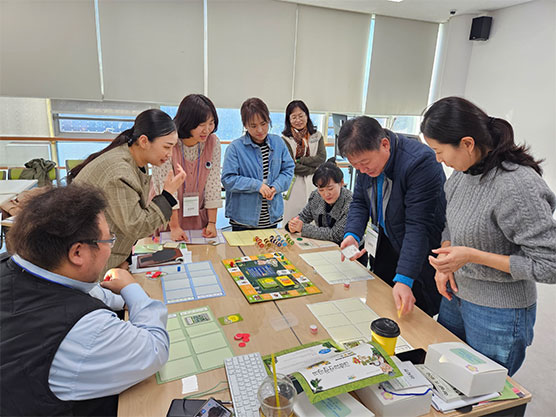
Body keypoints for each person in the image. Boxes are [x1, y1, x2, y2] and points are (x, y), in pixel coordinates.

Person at [0, 185, 169, 416]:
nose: (110, 248)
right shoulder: (85, 330)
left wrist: (122, 297)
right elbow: (154, 349)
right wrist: (133, 289)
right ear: (77, 253)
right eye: (108, 239)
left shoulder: (17, 264)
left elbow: (82, 293)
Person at [421, 96, 556, 375]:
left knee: (487, 395)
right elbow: (452, 224)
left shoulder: (517, 185)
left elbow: (550, 265)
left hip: (498, 311)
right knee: (445, 378)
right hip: (455, 296)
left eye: (439, 150)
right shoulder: (461, 174)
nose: (438, 159)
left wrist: (470, 256)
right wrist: (447, 261)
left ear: (467, 144)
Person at [338, 116, 446, 317]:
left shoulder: (419, 162)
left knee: (412, 317)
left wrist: (405, 278)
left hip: (418, 253)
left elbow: (418, 225)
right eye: (356, 166)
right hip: (386, 243)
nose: (362, 170)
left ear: (384, 144)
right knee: (380, 307)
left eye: (365, 163)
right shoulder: (365, 164)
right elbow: (360, 202)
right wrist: (352, 234)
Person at [70, 109, 186, 273]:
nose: (170, 154)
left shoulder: (135, 159)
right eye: (167, 147)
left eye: (173, 147)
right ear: (144, 141)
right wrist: (167, 195)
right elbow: (136, 226)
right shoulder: (120, 173)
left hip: (102, 253)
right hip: (87, 261)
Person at [151, 94, 222, 241]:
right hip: (168, 214)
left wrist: (212, 222)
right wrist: (175, 226)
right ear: (188, 121)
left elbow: (213, 184)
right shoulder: (168, 141)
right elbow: (166, 188)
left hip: (197, 214)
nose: (207, 130)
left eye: (211, 123)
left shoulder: (213, 143)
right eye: (201, 124)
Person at [221, 97, 294, 231]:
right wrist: (257, 185)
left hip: (271, 217)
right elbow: (228, 179)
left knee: (270, 251)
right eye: (253, 126)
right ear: (245, 125)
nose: (260, 130)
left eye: (263, 123)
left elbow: (288, 170)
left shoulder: (278, 143)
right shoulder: (235, 148)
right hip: (243, 219)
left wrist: (275, 187)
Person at [286, 158, 352, 245]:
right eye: (321, 189)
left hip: (349, 251)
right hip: (324, 247)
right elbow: (303, 217)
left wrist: (303, 228)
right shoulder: (316, 196)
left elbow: (336, 235)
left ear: (341, 183)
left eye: (330, 188)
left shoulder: (350, 201)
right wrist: (292, 225)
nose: (326, 194)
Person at [281, 100, 326, 223]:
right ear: (288, 119)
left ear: (307, 115)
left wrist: (301, 160)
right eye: (294, 117)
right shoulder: (285, 139)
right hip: (294, 182)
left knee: (314, 220)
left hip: (315, 182)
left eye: (301, 116)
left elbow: (322, 158)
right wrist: (313, 168)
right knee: (292, 219)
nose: (298, 120)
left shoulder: (317, 135)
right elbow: (291, 165)